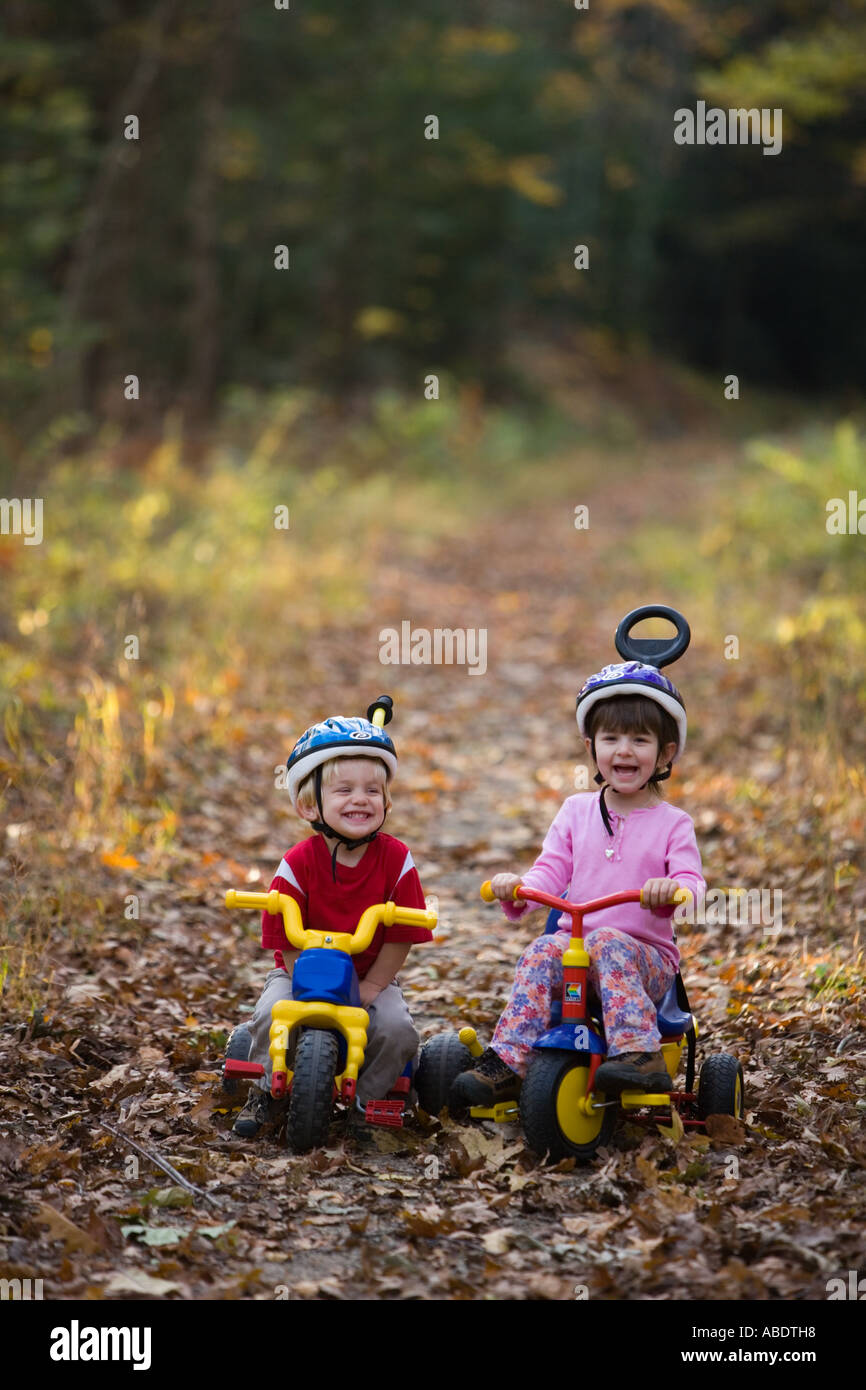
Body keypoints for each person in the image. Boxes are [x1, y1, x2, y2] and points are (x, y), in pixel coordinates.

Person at [451, 660, 705, 1106]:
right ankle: (509, 1062)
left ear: (665, 755)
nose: (624, 751)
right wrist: (521, 887)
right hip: (576, 948)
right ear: (592, 748)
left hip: (645, 958)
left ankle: (638, 1053)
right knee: (540, 951)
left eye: (639, 740)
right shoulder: (575, 811)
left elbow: (693, 884)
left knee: (608, 941)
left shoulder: (673, 824)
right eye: (611, 739)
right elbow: (551, 871)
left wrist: (673, 890)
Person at [233, 712, 433, 1137]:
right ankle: (268, 1092)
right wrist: (300, 977)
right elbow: (283, 936)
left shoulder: (396, 860)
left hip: (368, 973)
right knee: (271, 1013)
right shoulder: (296, 864)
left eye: (372, 791)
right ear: (309, 805)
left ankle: (370, 1102)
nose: (360, 799)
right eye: (344, 790)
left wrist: (374, 986)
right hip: (299, 969)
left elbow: (402, 935)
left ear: (386, 800)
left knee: (396, 1030)